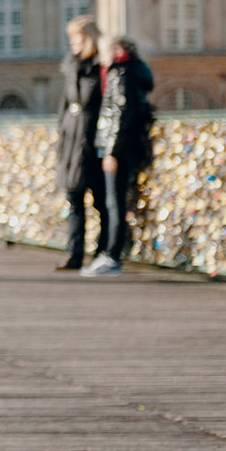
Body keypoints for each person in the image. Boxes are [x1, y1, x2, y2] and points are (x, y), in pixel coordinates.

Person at [84, 33, 154, 277]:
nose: (99, 56)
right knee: (114, 202)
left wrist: (111, 151)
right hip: (121, 146)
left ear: (116, 51)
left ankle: (112, 256)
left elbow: (122, 113)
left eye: (103, 50)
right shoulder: (126, 71)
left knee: (114, 203)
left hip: (118, 148)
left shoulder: (120, 73)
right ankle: (110, 254)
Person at [53, 16, 107, 272]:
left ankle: (102, 250)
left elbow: (96, 102)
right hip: (72, 139)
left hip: (92, 138)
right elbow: (64, 105)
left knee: (99, 200)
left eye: (78, 38)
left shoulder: (101, 67)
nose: (73, 43)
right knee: (73, 197)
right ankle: (74, 252)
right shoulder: (71, 66)